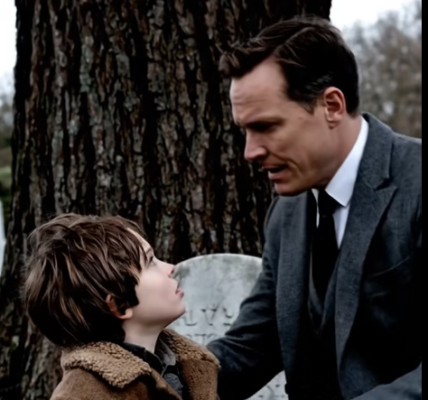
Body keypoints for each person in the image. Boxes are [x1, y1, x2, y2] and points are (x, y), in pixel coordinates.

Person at [207, 16, 422, 400]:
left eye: (266, 126)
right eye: (245, 131)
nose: (250, 152)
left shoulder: (417, 182)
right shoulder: (286, 215)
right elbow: (252, 346)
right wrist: (149, 385)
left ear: (332, 106)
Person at [24, 214, 219, 400]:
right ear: (120, 304)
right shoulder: (83, 393)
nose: (171, 268)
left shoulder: (187, 368)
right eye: (151, 262)